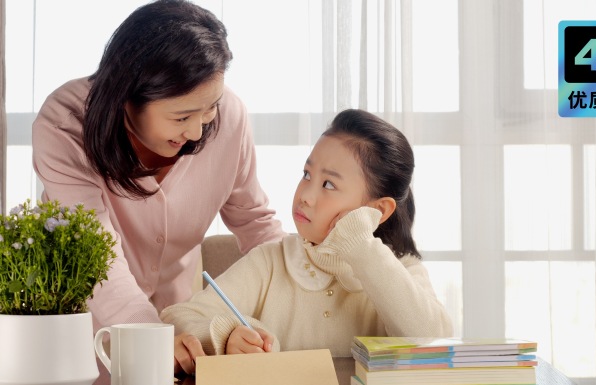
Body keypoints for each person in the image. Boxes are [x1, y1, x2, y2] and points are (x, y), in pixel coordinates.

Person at [32, 0, 285, 338]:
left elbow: (255, 223)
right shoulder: (64, 125)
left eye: (209, 108)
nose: (197, 131)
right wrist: (153, 336)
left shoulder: (230, 116)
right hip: (80, 335)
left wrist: (298, 292)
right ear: (127, 97)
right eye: (181, 118)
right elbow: (96, 255)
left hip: (179, 330)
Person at [160, 108, 454, 375]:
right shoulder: (271, 262)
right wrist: (226, 337)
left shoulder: (403, 268)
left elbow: (432, 340)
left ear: (378, 211)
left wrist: (361, 245)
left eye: (328, 184)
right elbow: (180, 316)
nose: (305, 195)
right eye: (306, 174)